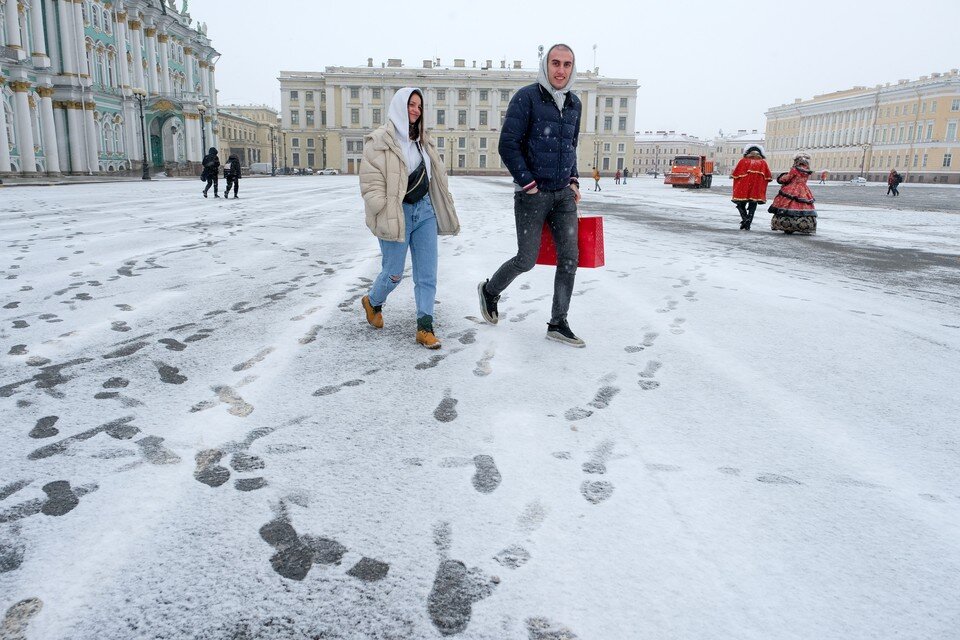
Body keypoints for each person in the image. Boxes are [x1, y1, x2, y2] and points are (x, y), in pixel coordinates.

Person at [477, 43, 585, 347]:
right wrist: (528, 183)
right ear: (545, 65)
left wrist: (573, 181)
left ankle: (558, 322)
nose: (561, 70)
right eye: (555, 63)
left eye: (566, 64)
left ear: (572, 68)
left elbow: (570, 147)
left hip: (563, 194)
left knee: (569, 259)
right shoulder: (527, 98)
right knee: (527, 259)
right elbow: (507, 144)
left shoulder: (575, 104)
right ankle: (489, 290)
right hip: (532, 195)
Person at [359, 87, 460, 349]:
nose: (415, 110)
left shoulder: (423, 140)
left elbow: (437, 175)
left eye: (419, 106)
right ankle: (373, 301)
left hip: (425, 211)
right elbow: (370, 183)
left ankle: (424, 327)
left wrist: (443, 200)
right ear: (398, 106)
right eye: (410, 105)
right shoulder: (379, 140)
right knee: (393, 273)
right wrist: (383, 207)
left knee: (427, 273)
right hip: (397, 211)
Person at [769, 154, 817, 234]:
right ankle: (804, 225)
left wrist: (781, 178)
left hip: (792, 189)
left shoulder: (794, 170)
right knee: (803, 205)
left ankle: (788, 225)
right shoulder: (807, 171)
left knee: (787, 204)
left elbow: (787, 178)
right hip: (803, 189)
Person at [730, 144, 772, 230]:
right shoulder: (762, 163)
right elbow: (768, 177)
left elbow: (735, 175)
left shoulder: (743, 161)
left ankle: (745, 219)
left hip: (743, 188)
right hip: (756, 189)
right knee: (753, 206)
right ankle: (748, 222)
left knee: (740, 204)